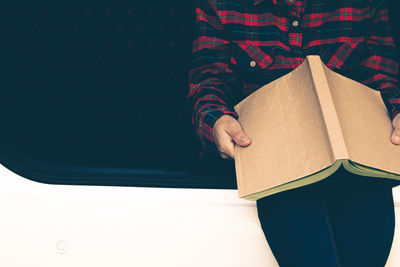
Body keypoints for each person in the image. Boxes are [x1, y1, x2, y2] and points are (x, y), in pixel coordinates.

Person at [186, 0, 400, 266]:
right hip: (269, 164)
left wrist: (396, 110)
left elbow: (381, 75)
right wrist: (217, 120)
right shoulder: (221, 4)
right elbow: (208, 80)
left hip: (353, 164)